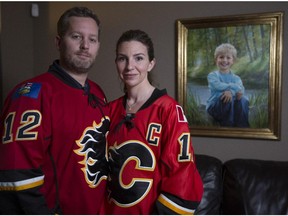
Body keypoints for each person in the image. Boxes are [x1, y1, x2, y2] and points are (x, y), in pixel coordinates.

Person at [0, 7, 109, 214]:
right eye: (76, 36)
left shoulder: (97, 92)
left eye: (92, 39)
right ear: (59, 42)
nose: (85, 45)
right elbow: (17, 175)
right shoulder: (31, 95)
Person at [100, 29, 203, 215]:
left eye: (138, 58)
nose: (130, 66)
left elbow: (183, 175)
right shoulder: (110, 109)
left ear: (151, 63)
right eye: (122, 58)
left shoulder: (168, 110)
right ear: (116, 63)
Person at [206, 43, 249, 127]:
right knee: (226, 98)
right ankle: (228, 126)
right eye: (221, 57)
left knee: (243, 100)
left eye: (228, 57)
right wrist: (233, 88)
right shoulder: (212, 76)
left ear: (233, 61)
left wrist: (232, 92)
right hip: (215, 106)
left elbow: (241, 90)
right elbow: (218, 86)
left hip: (231, 105)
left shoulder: (236, 78)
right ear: (216, 59)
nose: (224, 60)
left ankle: (243, 127)